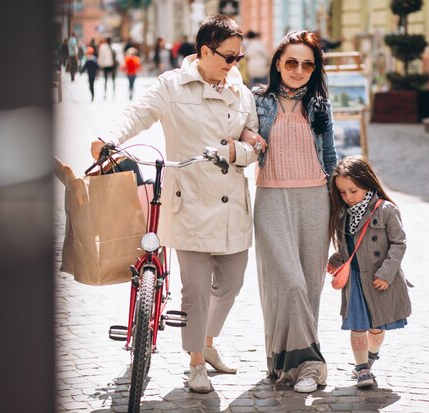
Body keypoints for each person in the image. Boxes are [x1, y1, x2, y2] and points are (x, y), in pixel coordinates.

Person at [91, 15, 258, 393]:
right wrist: (107, 138)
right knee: (194, 290)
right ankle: (196, 360)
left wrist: (238, 152)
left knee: (231, 284)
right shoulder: (171, 85)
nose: (234, 65)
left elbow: (254, 141)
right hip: (189, 198)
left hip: (232, 203)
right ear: (204, 51)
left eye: (238, 58)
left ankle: (208, 343)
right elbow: (136, 114)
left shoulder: (240, 91)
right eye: (228, 57)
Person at [241, 30, 337, 393]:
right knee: (287, 285)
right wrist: (249, 138)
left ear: (315, 69)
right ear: (278, 64)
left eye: (307, 64)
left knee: (309, 288)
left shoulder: (320, 106)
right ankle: (311, 365)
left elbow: (329, 158)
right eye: (292, 62)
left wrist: (340, 208)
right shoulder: (256, 101)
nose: (299, 70)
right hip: (272, 201)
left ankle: (291, 366)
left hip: (315, 200)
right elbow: (238, 133)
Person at [327, 156, 412, 388]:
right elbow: (347, 247)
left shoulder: (386, 210)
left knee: (376, 326)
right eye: (342, 193)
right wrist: (335, 261)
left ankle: (371, 356)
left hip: (378, 278)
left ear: (367, 182)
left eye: (353, 191)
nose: (348, 197)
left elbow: (399, 243)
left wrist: (386, 273)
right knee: (357, 324)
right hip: (355, 280)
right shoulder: (343, 214)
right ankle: (362, 368)